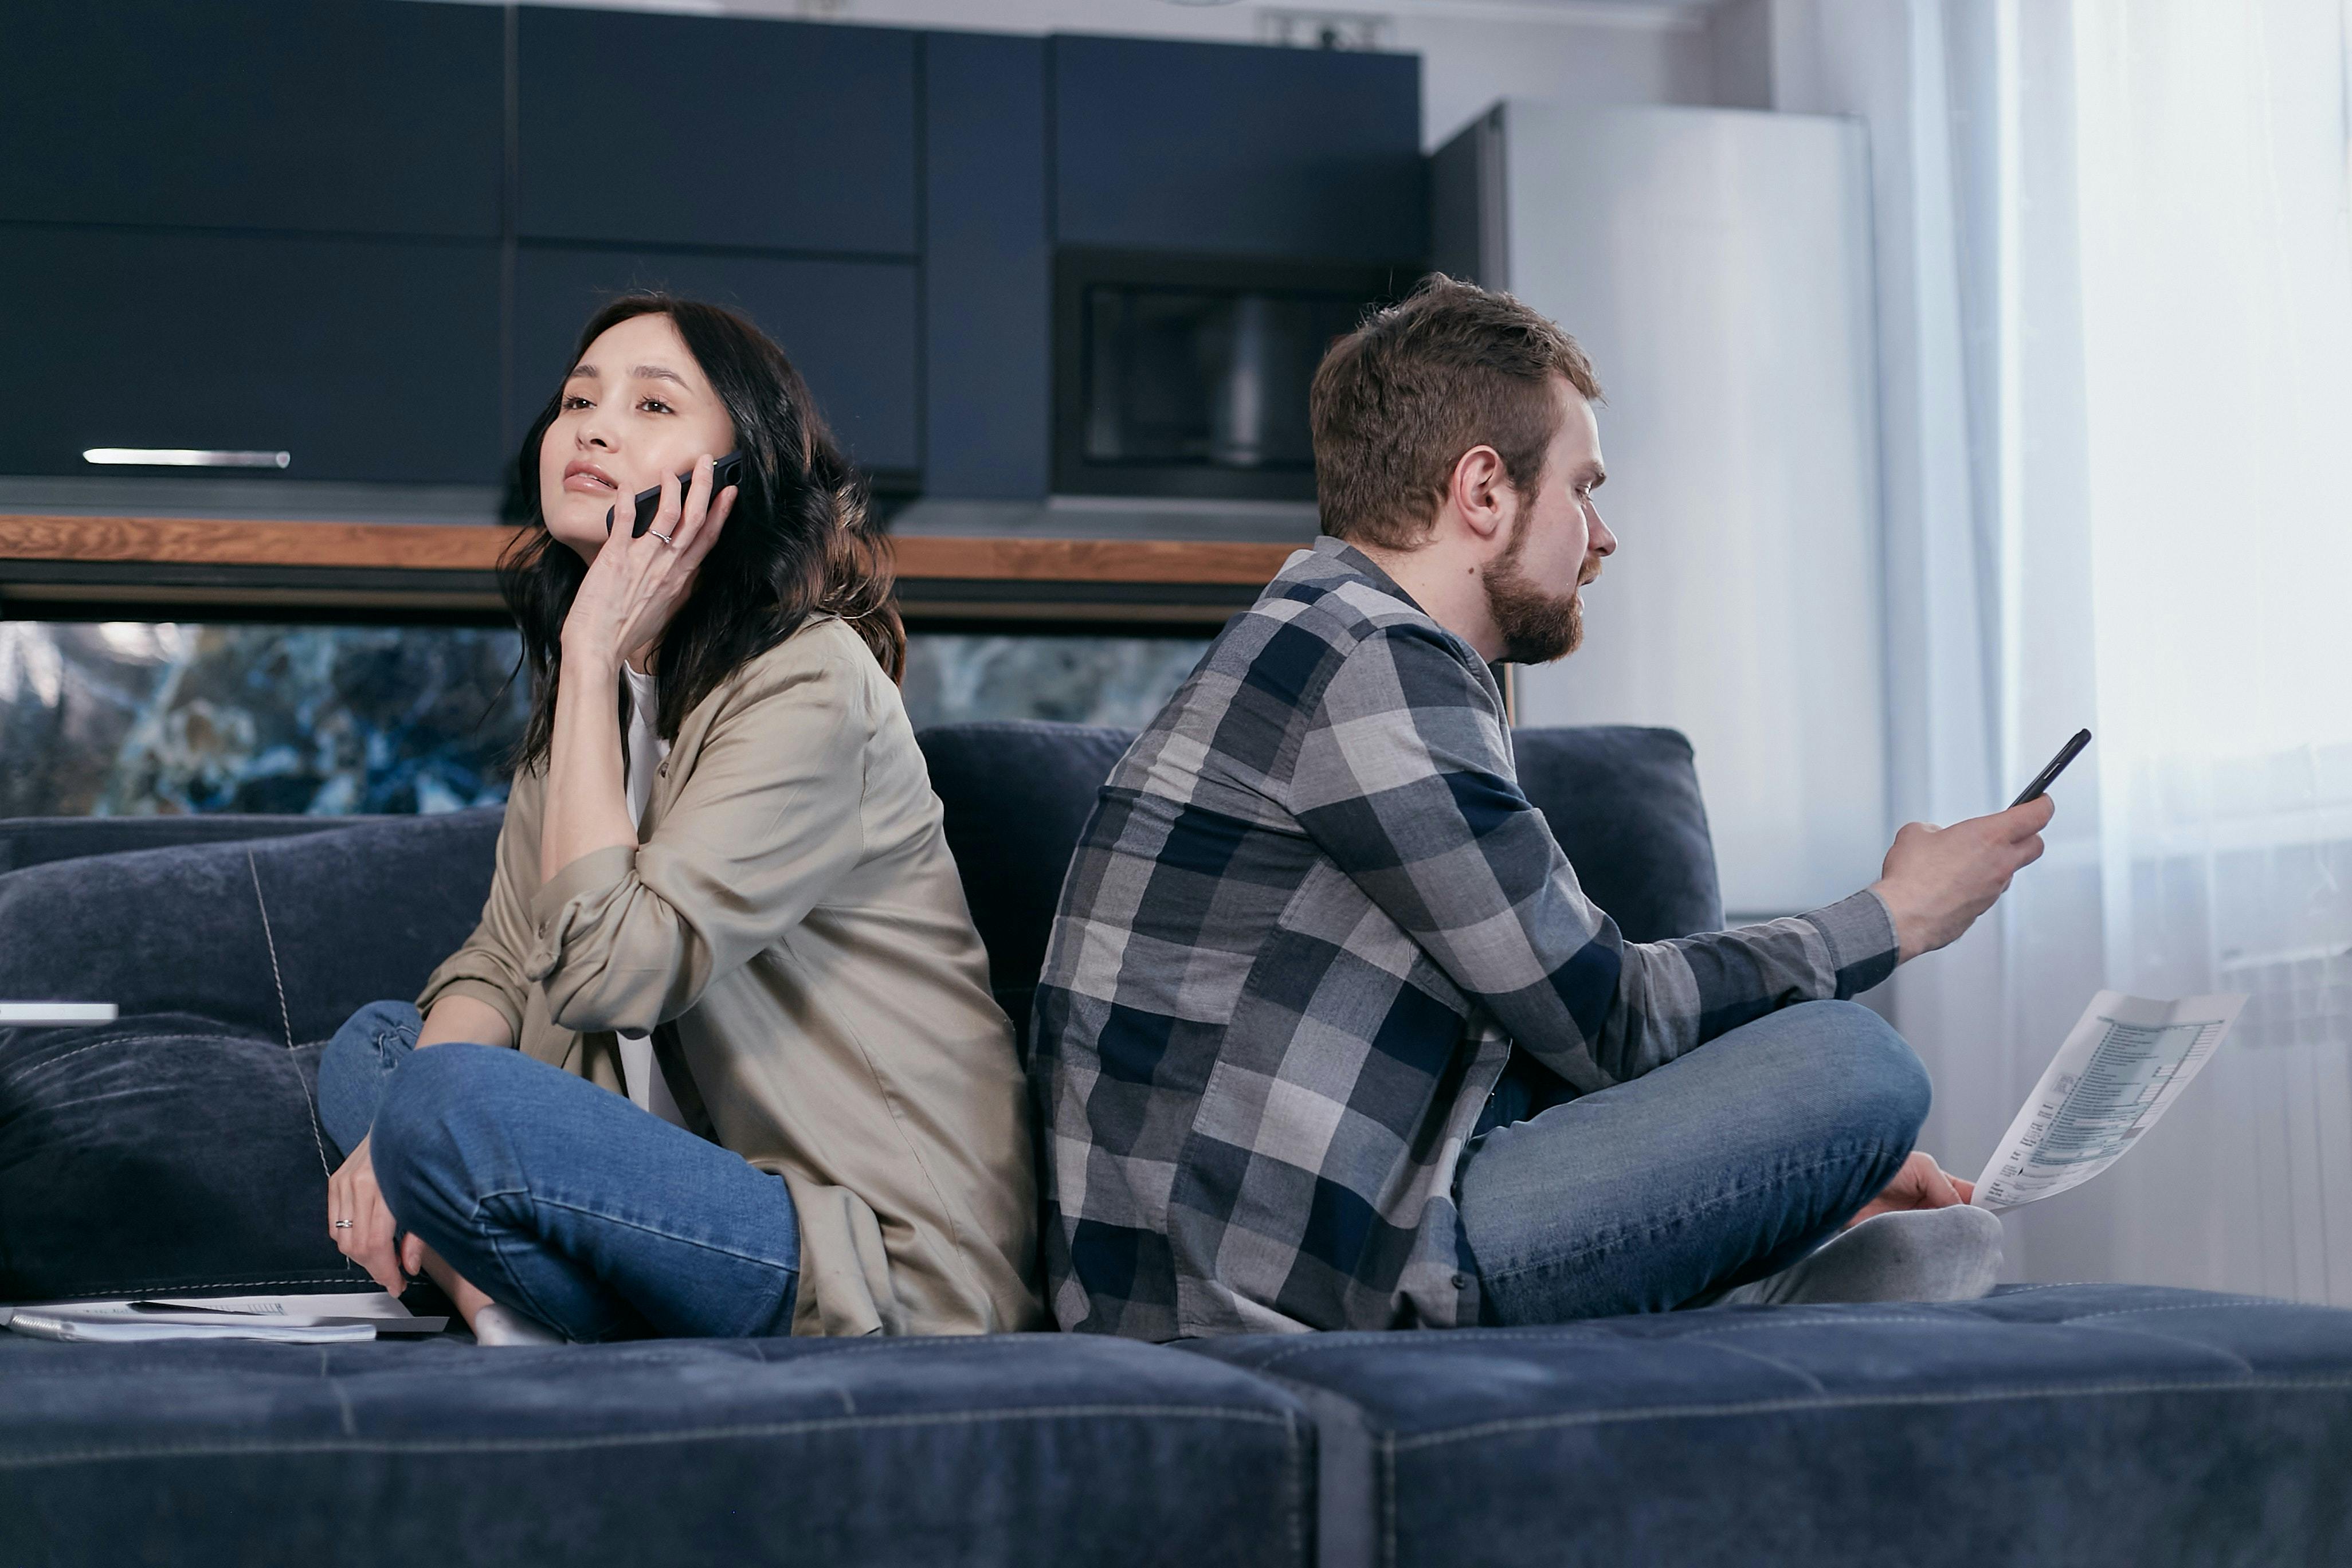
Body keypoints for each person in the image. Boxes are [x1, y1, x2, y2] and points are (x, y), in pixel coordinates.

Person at [1030, 276, 2040, 1339]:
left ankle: (1751, 1285)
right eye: (1584, 488)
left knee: (1877, 1163)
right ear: (1483, 491)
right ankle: (1754, 1299)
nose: (1602, 537)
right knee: (1858, 1063)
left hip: (1324, 1231)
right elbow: (1608, 1017)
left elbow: (1529, 1051)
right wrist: (1897, 915)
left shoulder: (1326, 636)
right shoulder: (1373, 660)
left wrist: (1781, 1178)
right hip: (1283, 1286)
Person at [317, 294, 1042, 1343]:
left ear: (741, 471)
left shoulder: (808, 683)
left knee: (437, 1106)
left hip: (863, 1257)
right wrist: (591, 675)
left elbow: (613, 970)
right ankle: (510, 1305)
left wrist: (589, 653)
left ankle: (498, 1299)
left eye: (653, 404)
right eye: (579, 399)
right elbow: (502, 954)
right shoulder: (603, 697)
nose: (595, 426)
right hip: (681, 1202)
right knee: (379, 1053)